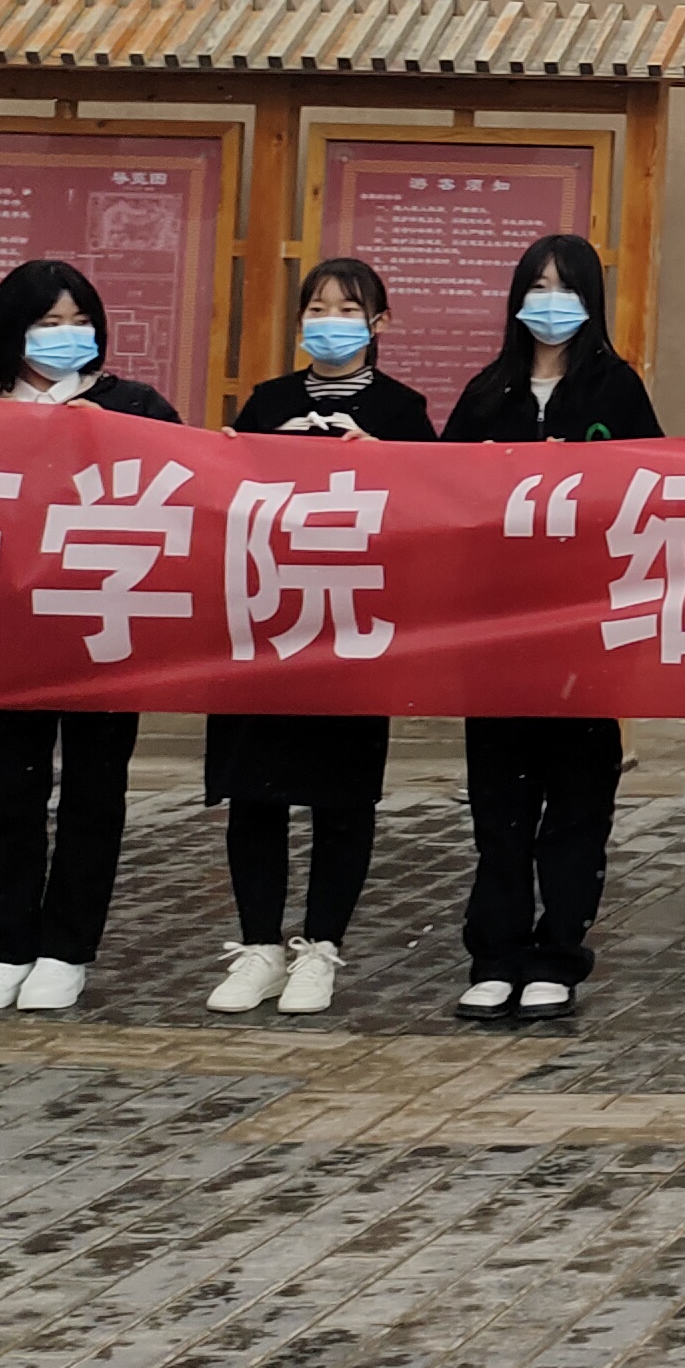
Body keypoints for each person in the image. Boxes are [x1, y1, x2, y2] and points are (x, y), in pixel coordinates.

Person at [0, 263, 184, 1013]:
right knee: (11, 795)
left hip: (105, 626)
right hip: (10, 636)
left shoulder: (135, 405)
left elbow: (192, 488)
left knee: (94, 791)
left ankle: (67, 948)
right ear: (9, 333)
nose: (66, 335)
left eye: (78, 321)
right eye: (47, 323)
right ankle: (8, 948)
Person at [439, 235, 659, 1021]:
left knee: (576, 805)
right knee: (500, 809)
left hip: (584, 635)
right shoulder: (486, 392)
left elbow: (653, 489)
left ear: (591, 301)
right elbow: (434, 491)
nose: (550, 303)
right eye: (537, 287)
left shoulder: (616, 389)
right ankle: (494, 953)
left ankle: (558, 953)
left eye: (566, 289)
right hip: (497, 634)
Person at [210, 261, 432, 1016]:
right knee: (256, 791)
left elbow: (432, 507)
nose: (328, 321)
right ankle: (259, 946)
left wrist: (383, 460)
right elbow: (227, 499)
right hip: (266, 620)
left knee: (342, 794)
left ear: (379, 323)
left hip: (351, 624)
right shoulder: (267, 401)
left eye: (346, 308)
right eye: (316, 307)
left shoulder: (402, 409)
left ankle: (321, 947)